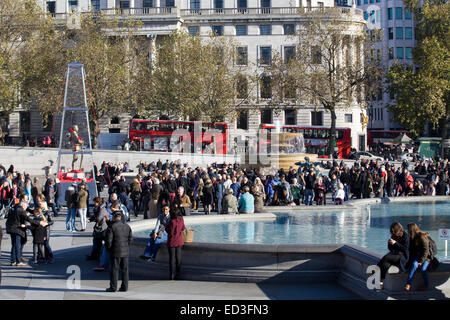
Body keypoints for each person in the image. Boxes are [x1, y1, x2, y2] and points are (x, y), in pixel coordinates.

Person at [6, 197, 47, 266]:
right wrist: (39, 223)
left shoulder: (14, 207)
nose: (25, 209)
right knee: (18, 245)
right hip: (16, 229)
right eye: (25, 207)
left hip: (10, 227)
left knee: (13, 245)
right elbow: (28, 219)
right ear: (23, 206)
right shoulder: (21, 210)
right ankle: (18, 261)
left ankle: (13, 261)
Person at [105, 211, 132, 292]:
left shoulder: (111, 227)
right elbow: (130, 239)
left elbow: (108, 241)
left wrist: (109, 249)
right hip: (125, 252)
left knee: (114, 270)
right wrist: (126, 247)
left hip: (115, 252)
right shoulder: (127, 226)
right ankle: (124, 287)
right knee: (125, 270)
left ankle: (113, 287)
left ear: (114, 217)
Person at [376, 222, 409, 286]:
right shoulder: (394, 235)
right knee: (386, 264)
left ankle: (376, 270)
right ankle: (381, 281)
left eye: (394, 231)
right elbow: (390, 249)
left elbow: (405, 249)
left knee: (386, 257)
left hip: (402, 257)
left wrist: (395, 243)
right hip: (395, 254)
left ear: (398, 230)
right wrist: (390, 244)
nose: (393, 234)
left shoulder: (405, 236)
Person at [405, 222, 431, 291]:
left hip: (426, 257)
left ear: (411, 229)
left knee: (423, 269)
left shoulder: (422, 237)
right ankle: (408, 283)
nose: (407, 231)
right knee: (414, 265)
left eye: (408, 229)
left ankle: (426, 285)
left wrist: (421, 261)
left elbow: (426, 251)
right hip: (418, 256)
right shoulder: (411, 237)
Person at [165, 205, 186, 280]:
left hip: (172, 241)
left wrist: (166, 227)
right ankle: (178, 273)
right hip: (179, 241)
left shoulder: (172, 221)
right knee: (178, 258)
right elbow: (183, 228)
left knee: (172, 259)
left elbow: (169, 231)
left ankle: (171, 275)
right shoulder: (181, 220)